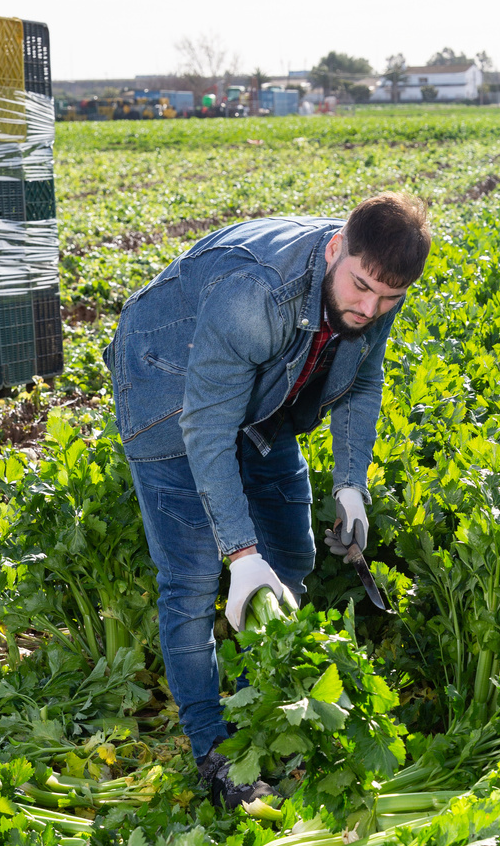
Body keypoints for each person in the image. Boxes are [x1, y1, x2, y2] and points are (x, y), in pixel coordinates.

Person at [104, 194, 431, 807]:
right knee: (194, 578)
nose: (369, 309)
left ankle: (267, 701)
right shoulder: (254, 297)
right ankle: (212, 747)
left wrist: (350, 483)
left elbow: (363, 379)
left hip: (263, 386)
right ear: (337, 248)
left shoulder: (376, 288)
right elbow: (204, 428)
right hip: (167, 387)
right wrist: (240, 554)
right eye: (360, 289)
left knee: (292, 552)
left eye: (388, 299)